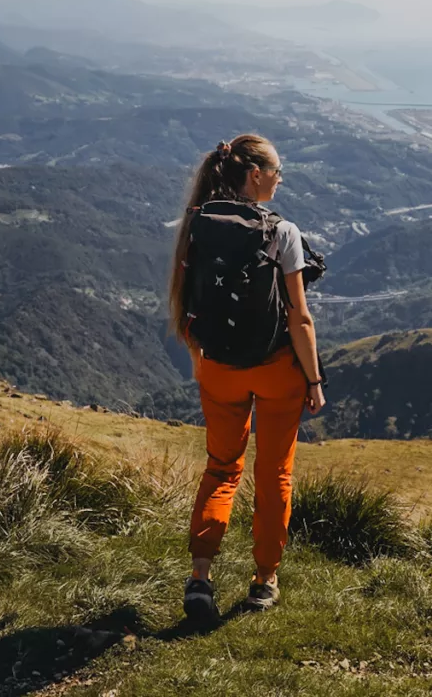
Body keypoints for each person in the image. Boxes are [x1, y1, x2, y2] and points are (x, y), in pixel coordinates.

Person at [169, 134, 326, 618]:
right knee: (274, 473)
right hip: (276, 370)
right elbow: (299, 318)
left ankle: (200, 577)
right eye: (277, 172)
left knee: (221, 468)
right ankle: (264, 579)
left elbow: (189, 300)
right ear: (255, 175)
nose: (279, 180)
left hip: (219, 367)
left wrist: (200, 356)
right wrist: (314, 381)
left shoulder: (198, 224)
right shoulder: (282, 232)